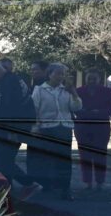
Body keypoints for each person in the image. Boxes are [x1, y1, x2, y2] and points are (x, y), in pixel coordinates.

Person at [0, 61, 41, 198]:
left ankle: (28, 184)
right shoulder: (14, 80)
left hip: (13, 129)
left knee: (2, 159)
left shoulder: (9, 83)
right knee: (4, 159)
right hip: (16, 127)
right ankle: (6, 189)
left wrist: (12, 131)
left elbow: (10, 108)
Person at [32, 63, 82, 199]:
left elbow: (76, 107)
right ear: (50, 74)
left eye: (63, 74)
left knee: (64, 159)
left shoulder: (65, 90)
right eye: (58, 73)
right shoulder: (40, 90)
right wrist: (35, 127)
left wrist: (73, 92)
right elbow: (35, 109)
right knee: (48, 159)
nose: (61, 76)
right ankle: (48, 186)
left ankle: (65, 189)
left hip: (64, 127)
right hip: (47, 128)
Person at [75, 68, 111, 190]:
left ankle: (100, 182)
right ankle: (88, 182)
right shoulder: (79, 91)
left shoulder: (107, 91)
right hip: (83, 127)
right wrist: (89, 113)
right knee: (84, 155)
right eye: (89, 78)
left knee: (100, 155)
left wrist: (98, 112)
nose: (91, 81)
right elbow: (75, 108)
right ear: (85, 79)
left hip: (101, 127)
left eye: (94, 78)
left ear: (99, 79)